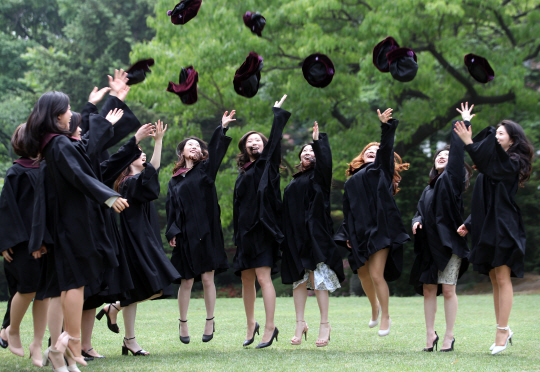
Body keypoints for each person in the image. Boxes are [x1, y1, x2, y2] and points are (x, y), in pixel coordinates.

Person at [24, 91, 129, 371]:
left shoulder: (52, 146)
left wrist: (109, 110)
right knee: (75, 283)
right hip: (73, 226)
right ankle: (71, 344)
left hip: (66, 225)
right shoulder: (58, 145)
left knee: (68, 285)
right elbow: (82, 176)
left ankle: (63, 349)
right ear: (58, 115)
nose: (72, 114)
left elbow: (86, 149)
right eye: (68, 109)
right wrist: (109, 196)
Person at [98, 120, 181, 356]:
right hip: (132, 240)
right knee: (148, 286)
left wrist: (158, 142)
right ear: (128, 160)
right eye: (139, 154)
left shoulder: (137, 180)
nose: (142, 156)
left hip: (145, 236)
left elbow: (151, 172)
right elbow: (148, 176)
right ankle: (124, 328)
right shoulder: (126, 183)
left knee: (143, 289)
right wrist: (150, 143)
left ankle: (119, 318)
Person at [454, 115, 533, 355]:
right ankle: (503, 328)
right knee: (494, 278)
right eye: (496, 133)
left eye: (501, 134)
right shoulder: (492, 166)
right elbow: (484, 199)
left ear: (513, 139)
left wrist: (469, 142)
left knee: (502, 277)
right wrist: (468, 222)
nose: (496, 136)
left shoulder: (514, 162)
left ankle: (502, 330)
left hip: (504, 224)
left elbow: (491, 164)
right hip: (487, 225)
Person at [335, 108, 410, 337]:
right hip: (358, 232)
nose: (373, 152)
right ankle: (374, 308)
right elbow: (348, 212)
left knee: (377, 274)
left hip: (381, 230)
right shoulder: (350, 183)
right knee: (363, 273)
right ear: (361, 155)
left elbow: (386, 149)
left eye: (377, 151)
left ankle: (386, 315)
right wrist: (347, 234)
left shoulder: (381, 172)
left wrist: (386, 127)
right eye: (369, 150)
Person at [409, 103, 474, 352]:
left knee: (448, 290)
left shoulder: (452, 180)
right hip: (429, 245)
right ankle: (429, 336)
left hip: (449, 244)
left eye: (446, 156)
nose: (442, 157)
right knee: (428, 290)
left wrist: (463, 124)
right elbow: (419, 212)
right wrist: (416, 221)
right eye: (438, 156)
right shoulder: (428, 189)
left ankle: (448, 335)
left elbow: (458, 155)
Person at [166, 110, 235, 344]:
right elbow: (171, 208)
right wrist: (172, 231)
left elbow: (216, 151)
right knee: (186, 280)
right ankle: (183, 323)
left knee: (207, 278)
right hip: (185, 234)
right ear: (182, 152)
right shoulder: (175, 179)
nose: (194, 147)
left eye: (198, 145)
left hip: (207, 232)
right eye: (190, 145)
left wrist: (222, 128)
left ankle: (209, 320)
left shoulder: (206, 171)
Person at [233, 95, 290, 348]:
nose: (253, 142)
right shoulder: (244, 172)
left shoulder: (269, 165)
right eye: (249, 141)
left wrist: (277, 113)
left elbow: (275, 139)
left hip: (264, 230)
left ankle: (269, 327)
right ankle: (250, 324)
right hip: (245, 233)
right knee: (246, 279)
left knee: (263, 278)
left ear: (264, 146)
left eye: (257, 139)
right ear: (244, 149)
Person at [281, 121, 345, 347]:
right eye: (304, 151)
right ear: (299, 158)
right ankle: (300, 323)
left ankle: (324, 325)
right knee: (298, 280)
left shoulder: (320, 176)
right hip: (295, 236)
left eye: (312, 151)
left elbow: (326, 161)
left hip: (315, 235)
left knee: (318, 281)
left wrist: (318, 141)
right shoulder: (294, 180)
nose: (308, 152)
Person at [0, 124, 49, 367]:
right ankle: (11, 328)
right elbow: (7, 209)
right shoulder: (16, 172)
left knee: (44, 294)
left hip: (47, 242)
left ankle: (37, 344)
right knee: (28, 288)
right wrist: (6, 242)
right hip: (22, 242)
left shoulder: (46, 169)